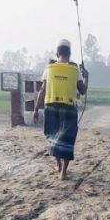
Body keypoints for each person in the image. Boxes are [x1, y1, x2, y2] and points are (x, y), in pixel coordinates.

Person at [33, 39, 89, 180]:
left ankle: (58, 165)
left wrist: (35, 109)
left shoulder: (49, 68)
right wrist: (86, 77)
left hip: (51, 107)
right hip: (69, 107)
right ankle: (63, 171)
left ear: (57, 52)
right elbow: (82, 91)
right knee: (67, 140)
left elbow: (42, 90)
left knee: (53, 138)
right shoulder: (74, 69)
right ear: (69, 54)